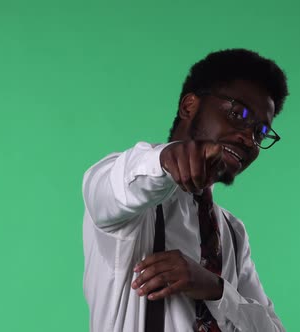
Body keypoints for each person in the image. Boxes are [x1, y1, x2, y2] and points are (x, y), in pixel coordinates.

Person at [82, 48, 289, 331]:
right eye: (238, 114)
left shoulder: (232, 233)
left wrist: (215, 288)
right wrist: (164, 160)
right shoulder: (133, 205)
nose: (248, 140)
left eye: (260, 132)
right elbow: (104, 189)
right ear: (189, 106)